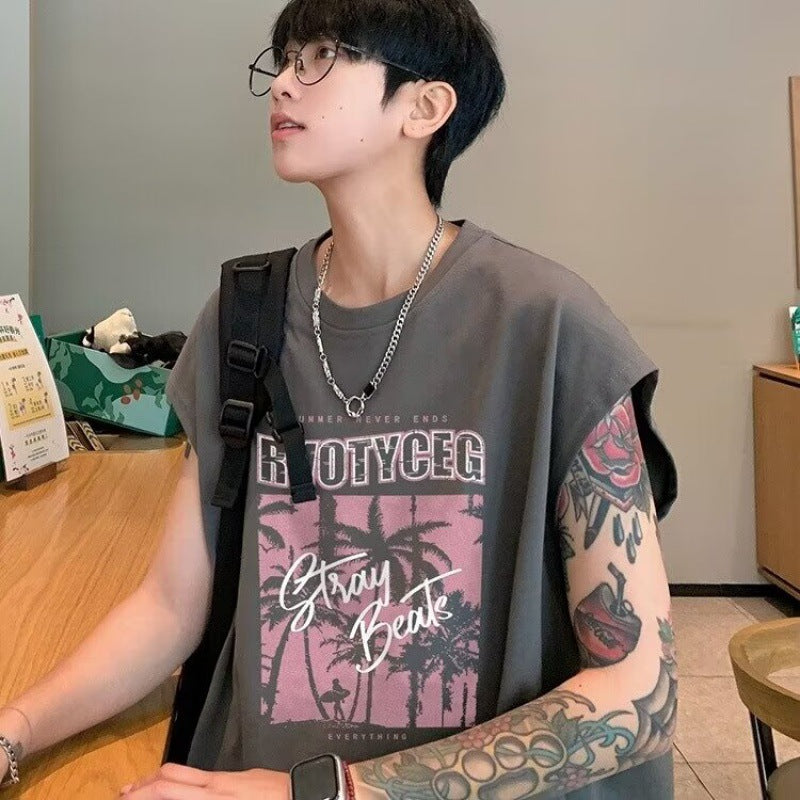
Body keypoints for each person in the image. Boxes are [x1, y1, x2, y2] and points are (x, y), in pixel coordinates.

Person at [0, 1, 679, 797]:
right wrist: (16, 728)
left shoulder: (549, 325)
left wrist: (337, 792)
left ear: (425, 106)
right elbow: (169, 608)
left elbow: (641, 692)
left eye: (323, 54)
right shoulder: (243, 317)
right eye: (284, 58)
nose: (284, 83)